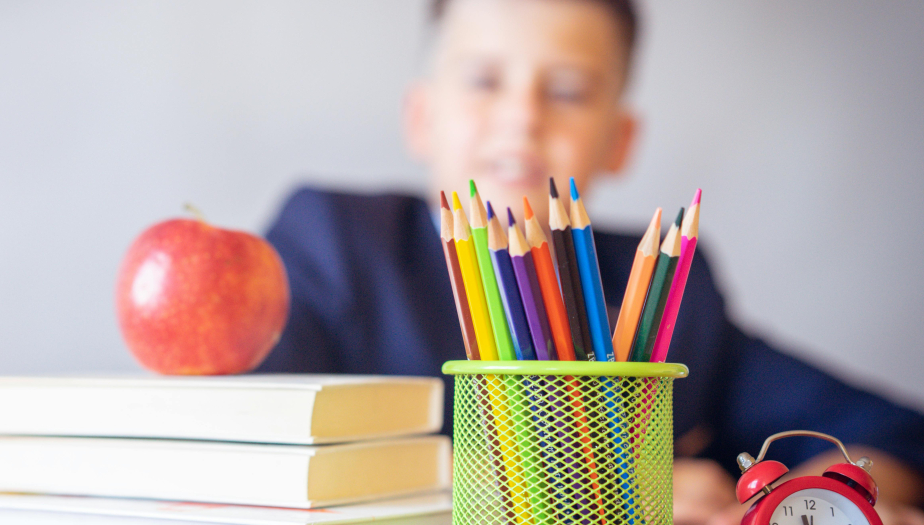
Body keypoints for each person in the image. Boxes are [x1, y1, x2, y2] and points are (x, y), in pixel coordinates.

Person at [256, 0, 924, 523]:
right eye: (484, 79)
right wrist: (613, 491)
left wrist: (810, 506)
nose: (522, 116)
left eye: (570, 91)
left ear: (619, 140)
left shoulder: (667, 287)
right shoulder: (334, 239)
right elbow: (254, 443)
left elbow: (887, 430)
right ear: (421, 117)